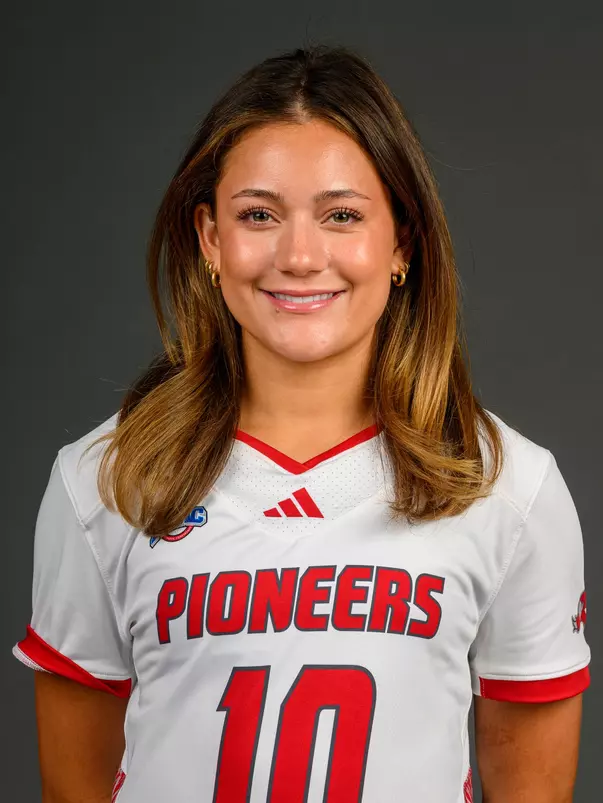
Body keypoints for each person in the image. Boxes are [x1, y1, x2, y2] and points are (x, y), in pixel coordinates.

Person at [14, 45, 590, 803]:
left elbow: (529, 789)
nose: (298, 254)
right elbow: (75, 785)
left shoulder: (507, 486)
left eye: (341, 215)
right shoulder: (104, 477)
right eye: (258, 214)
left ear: (401, 243)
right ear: (211, 240)